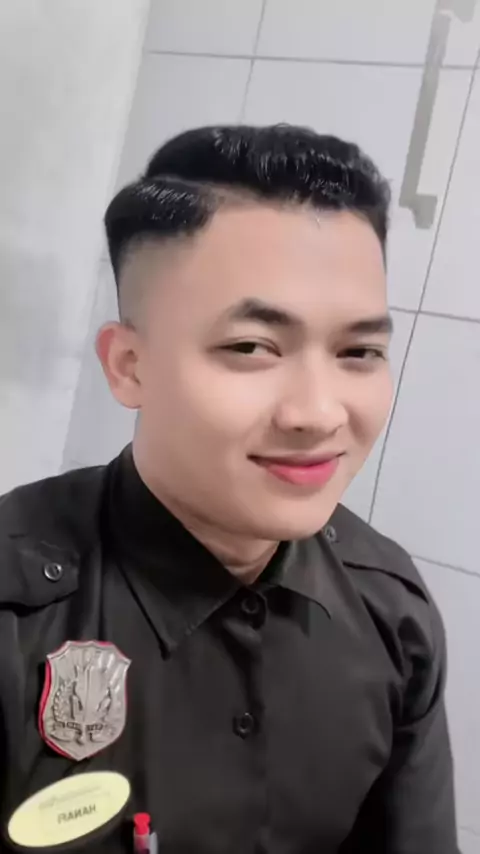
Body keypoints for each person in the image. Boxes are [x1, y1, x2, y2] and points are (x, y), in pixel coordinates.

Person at [0, 125, 459, 854]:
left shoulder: (389, 612)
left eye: (359, 351)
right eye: (251, 347)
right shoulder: (17, 613)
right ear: (129, 366)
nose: (318, 414)